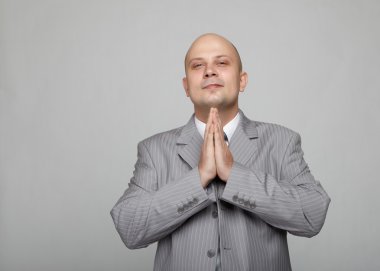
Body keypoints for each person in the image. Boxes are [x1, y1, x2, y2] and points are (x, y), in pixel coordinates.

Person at [110, 33, 330, 271]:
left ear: (242, 80)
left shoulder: (281, 141)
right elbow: (129, 228)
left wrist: (235, 175)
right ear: (186, 86)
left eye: (222, 63)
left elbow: (312, 215)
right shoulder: (154, 150)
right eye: (198, 65)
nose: (209, 71)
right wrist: (199, 177)